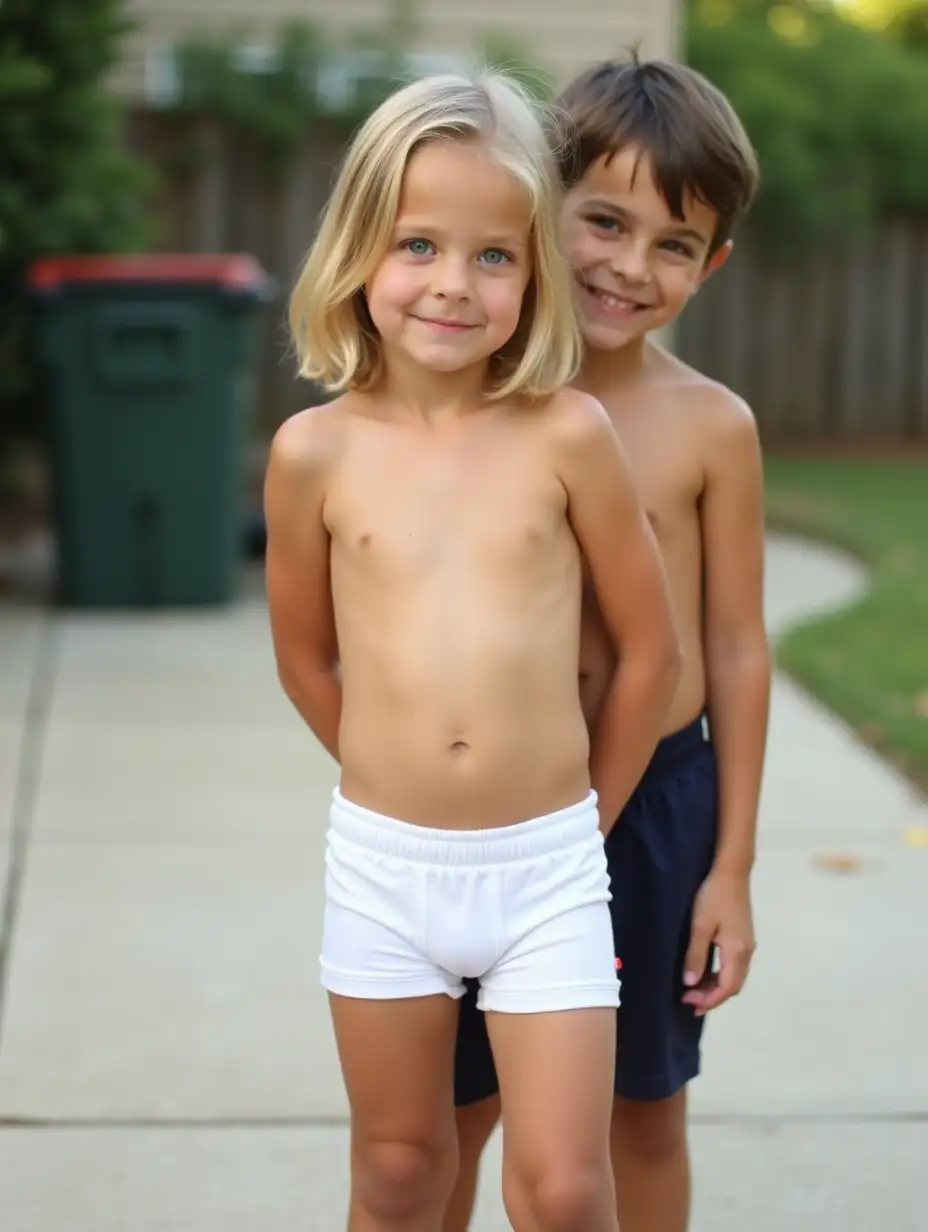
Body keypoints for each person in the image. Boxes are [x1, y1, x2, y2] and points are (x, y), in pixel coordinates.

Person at [264, 70, 682, 1232]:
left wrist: (578, 820)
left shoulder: (567, 434)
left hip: (549, 866)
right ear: (359, 251)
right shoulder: (313, 453)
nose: (454, 283)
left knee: (560, 1186)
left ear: (534, 271)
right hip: (385, 869)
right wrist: (396, 767)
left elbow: (650, 653)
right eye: (418, 245)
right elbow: (306, 656)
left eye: (494, 255)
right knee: (399, 1170)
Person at [447, 56, 772, 1232]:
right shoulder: (469, 397)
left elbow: (732, 647)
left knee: (641, 1113)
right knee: (459, 1113)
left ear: (711, 263)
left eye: (674, 244)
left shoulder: (709, 427)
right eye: (603, 220)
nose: (631, 266)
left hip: (653, 818)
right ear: (544, 205)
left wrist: (728, 864)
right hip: (497, 800)